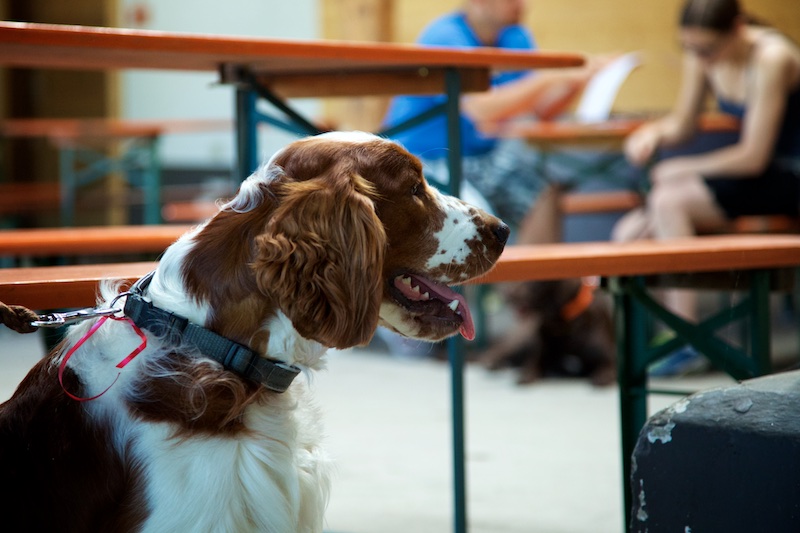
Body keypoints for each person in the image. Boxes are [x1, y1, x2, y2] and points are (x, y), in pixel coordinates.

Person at [612, 0, 800, 375]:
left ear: (739, 28)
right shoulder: (705, 54)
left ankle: (688, 336)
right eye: (690, 49)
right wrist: (650, 133)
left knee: (669, 201)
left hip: (788, 172)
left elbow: (754, 156)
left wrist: (681, 167)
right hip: (756, 177)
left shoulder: (772, 58)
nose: (700, 58)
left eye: (707, 50)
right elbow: (683, 125)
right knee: (627, 232)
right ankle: (643, 343)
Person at [382, 0, 603, 243]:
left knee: (543, 196)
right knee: (475, 213)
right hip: (428, 159)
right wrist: (550, 78)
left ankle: (532, 280)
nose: (523, 4)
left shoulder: (515, 37)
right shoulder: (445, 35)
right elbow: (481, 110)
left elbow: (542, 108)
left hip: (483, 157)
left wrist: (577, 82)